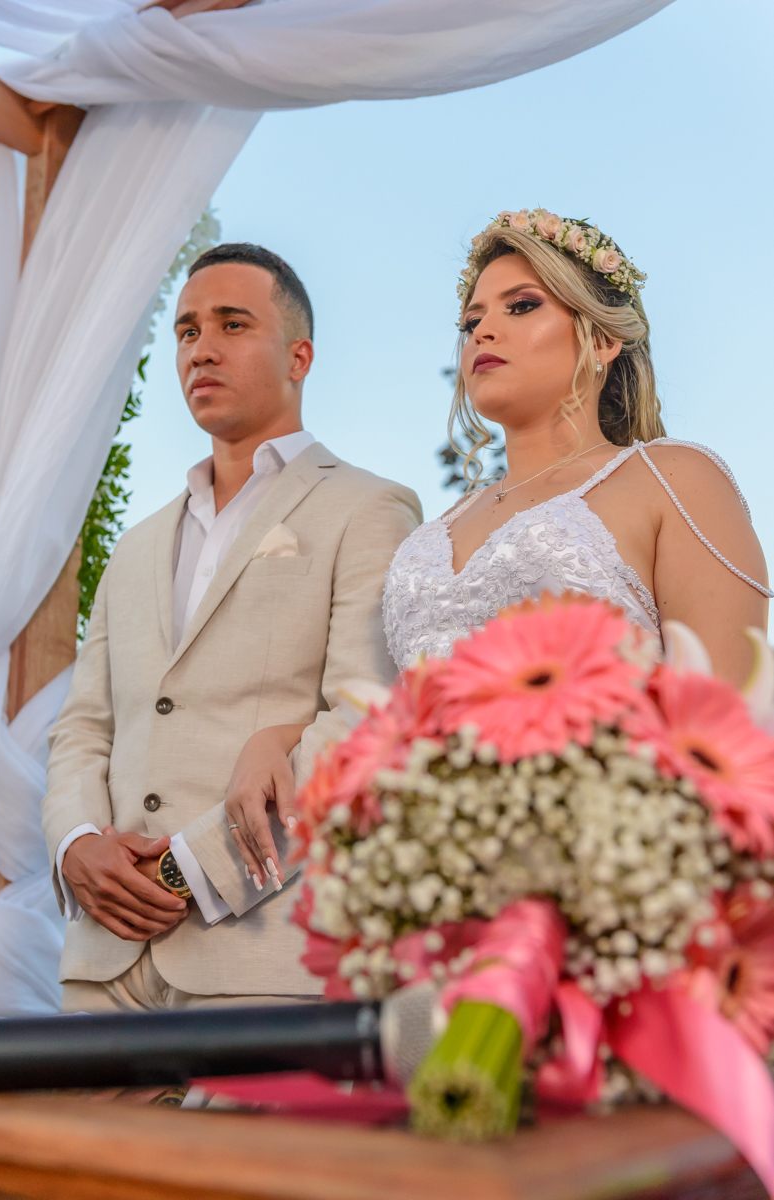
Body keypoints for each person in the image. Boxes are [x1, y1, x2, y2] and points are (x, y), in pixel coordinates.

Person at [43, 242, 421, 1012]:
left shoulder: (370, 509)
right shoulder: (139, 542)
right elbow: (84, 727)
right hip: (103, 962)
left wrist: (194, 866)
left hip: (262, 947)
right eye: (185, 331)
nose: (201, 348)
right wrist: (76, 846)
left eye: (231, 324)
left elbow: (362, 720)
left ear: (299, 355)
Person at [384, 208, 770, 686]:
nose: (482, 331)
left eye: (522, 305)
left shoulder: (672, 478)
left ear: (604, 338)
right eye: (470, 321)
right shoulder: (440, 526)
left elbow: (726, 710)